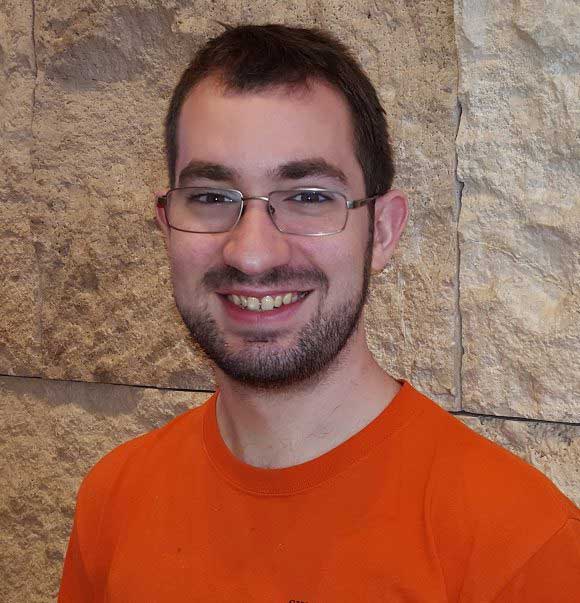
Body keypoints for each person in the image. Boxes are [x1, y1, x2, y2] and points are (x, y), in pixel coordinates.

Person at [59, 24, 580, 602]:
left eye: (308, 197)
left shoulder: (521, 550)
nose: (252, 253)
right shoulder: (114, 498)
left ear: (382, 231)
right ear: (166, 225)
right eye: (210, 197)